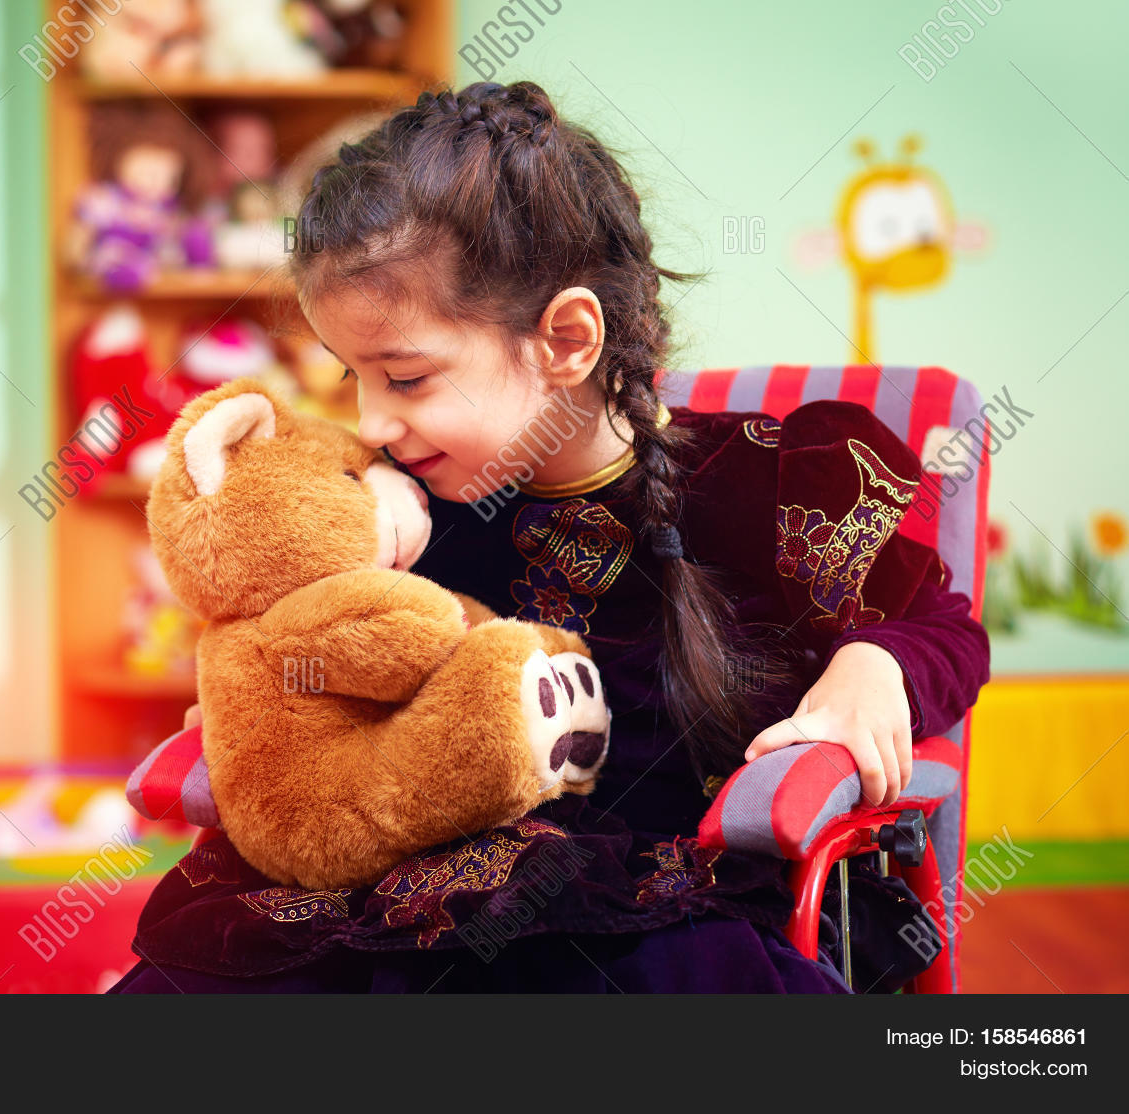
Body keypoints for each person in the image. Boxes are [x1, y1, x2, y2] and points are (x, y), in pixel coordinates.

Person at [109, 81, 990, 993]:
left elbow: (946, 627)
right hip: (401, 892)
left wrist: (874, 666)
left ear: (566, 340)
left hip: (654, 906)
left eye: (405, 378)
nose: (368, 421)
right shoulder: (399, 512)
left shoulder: (769, 486)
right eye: (351, 375)